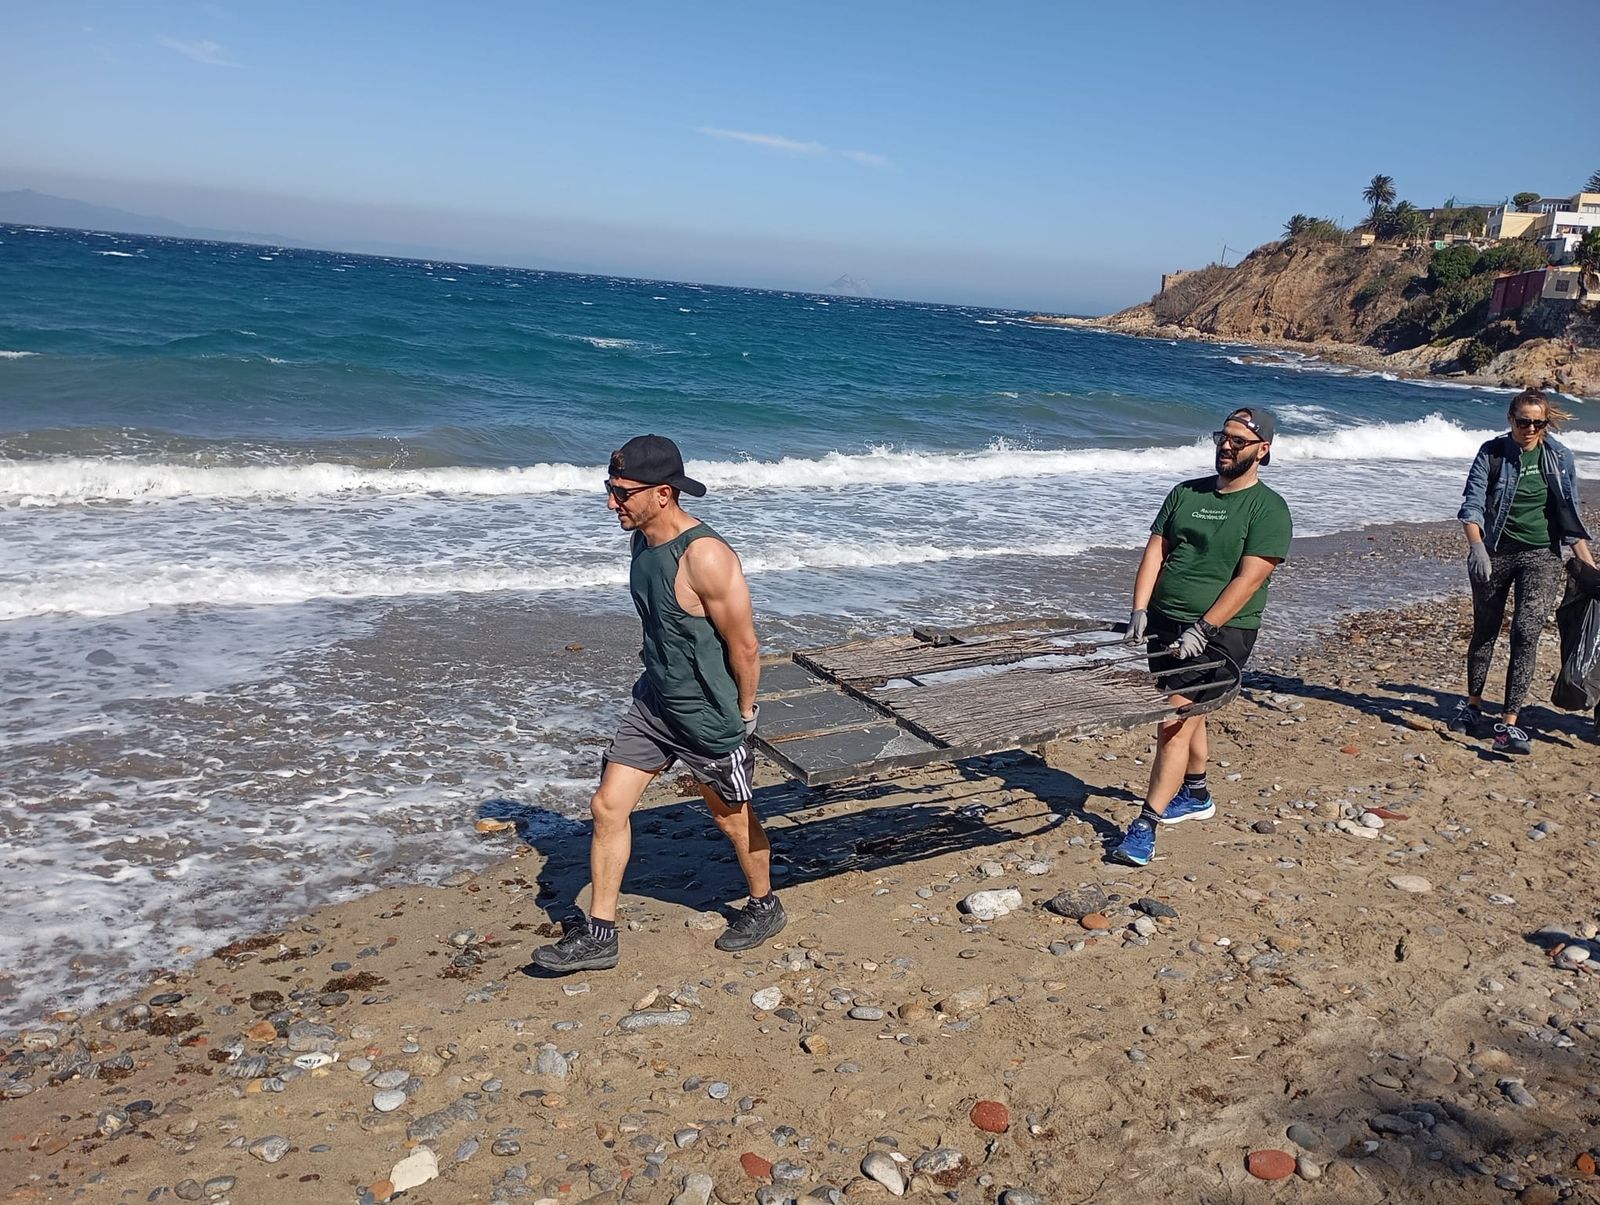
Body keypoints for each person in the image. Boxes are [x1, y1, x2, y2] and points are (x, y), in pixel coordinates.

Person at [531, 434, 782, 972]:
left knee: (733, 820)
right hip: (654, 702)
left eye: (622, 493)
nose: (611, 503)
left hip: (707, 716)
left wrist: (743, 714)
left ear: (662, 493)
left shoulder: (706, 557)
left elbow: (745, 645)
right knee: (607, 807)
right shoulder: (641, 540)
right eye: (610, 489)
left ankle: (765, 905)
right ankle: (601, 935)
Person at [1112, 407, 1292, 867]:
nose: (1226, 446)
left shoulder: (1269, 509)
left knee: (1173, 717)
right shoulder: (1185, 494)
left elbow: (1249, 580)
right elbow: (1156, 551)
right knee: (1190, 711)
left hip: (1223, 633)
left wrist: (1204, 627)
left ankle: (1146, 825)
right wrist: (1139, 608)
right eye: (1222, 437)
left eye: (1238, 440)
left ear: (1262, 450)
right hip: (1165, 624)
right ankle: (1195, 793)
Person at [1451, 389, 1595, 754]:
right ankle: (1472, 705)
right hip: (1495, 552)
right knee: (1485, 629)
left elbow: (1571, 517)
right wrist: (1477, 546)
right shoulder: (1492, 453)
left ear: (1546, 423)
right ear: (1510, 419)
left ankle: (1510, 723)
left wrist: (1591, 569)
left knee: (1526, 631)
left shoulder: (1558, 457)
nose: (1530, 428)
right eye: (1523, 421)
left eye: (1538, 422)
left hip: (1541, 555)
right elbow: (1471, 504)